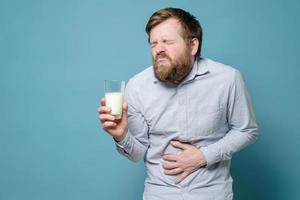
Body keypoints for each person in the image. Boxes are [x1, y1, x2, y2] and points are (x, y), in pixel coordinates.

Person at [98, 7, 258, 200]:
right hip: (159, 194)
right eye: (154, 43)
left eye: (167, 42)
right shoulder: (137, 86)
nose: (159, 49)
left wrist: (204, 156)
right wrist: (122, 135)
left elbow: (247, 130)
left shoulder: (228, 79)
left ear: (193, 46)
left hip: (213, 194)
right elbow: (137, 153)